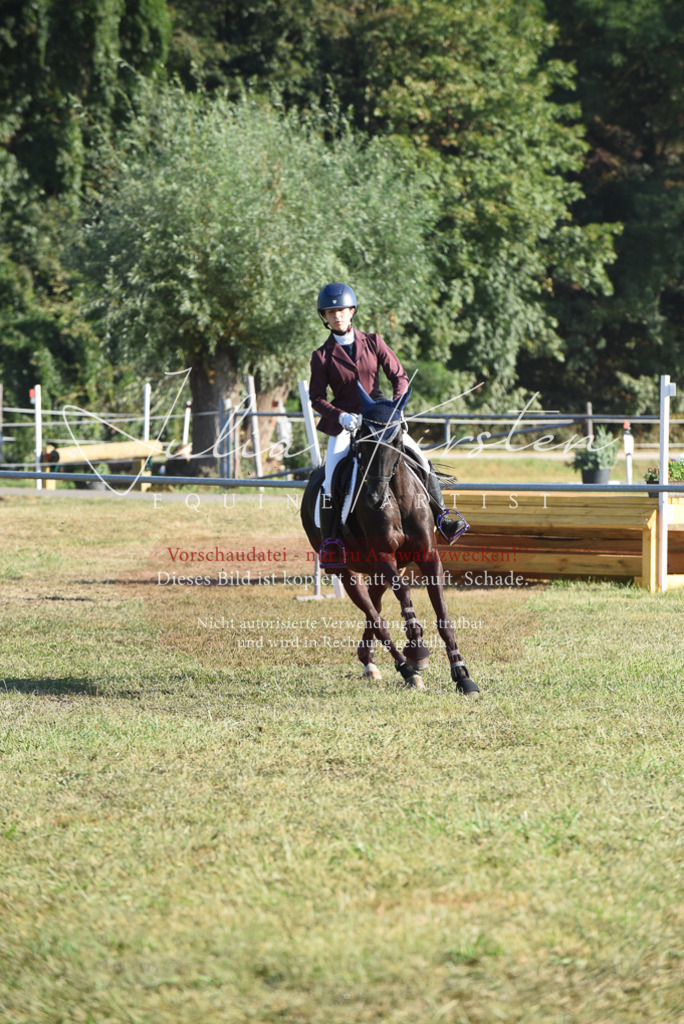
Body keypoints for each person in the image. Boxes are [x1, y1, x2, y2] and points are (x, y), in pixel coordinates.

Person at [308, 282, 466, 557]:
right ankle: (332, 541)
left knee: (421, 461)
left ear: (352, 311)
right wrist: (341, 416)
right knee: (330, 477)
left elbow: (399, 376)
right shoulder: (321, 356)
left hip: (380, 419)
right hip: (347, 423)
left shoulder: (373, 342)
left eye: (341, 310)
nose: (336, 316)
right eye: (330, 312)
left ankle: (443, 518)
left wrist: (397, 406)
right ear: (324, 317)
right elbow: (317, 398)